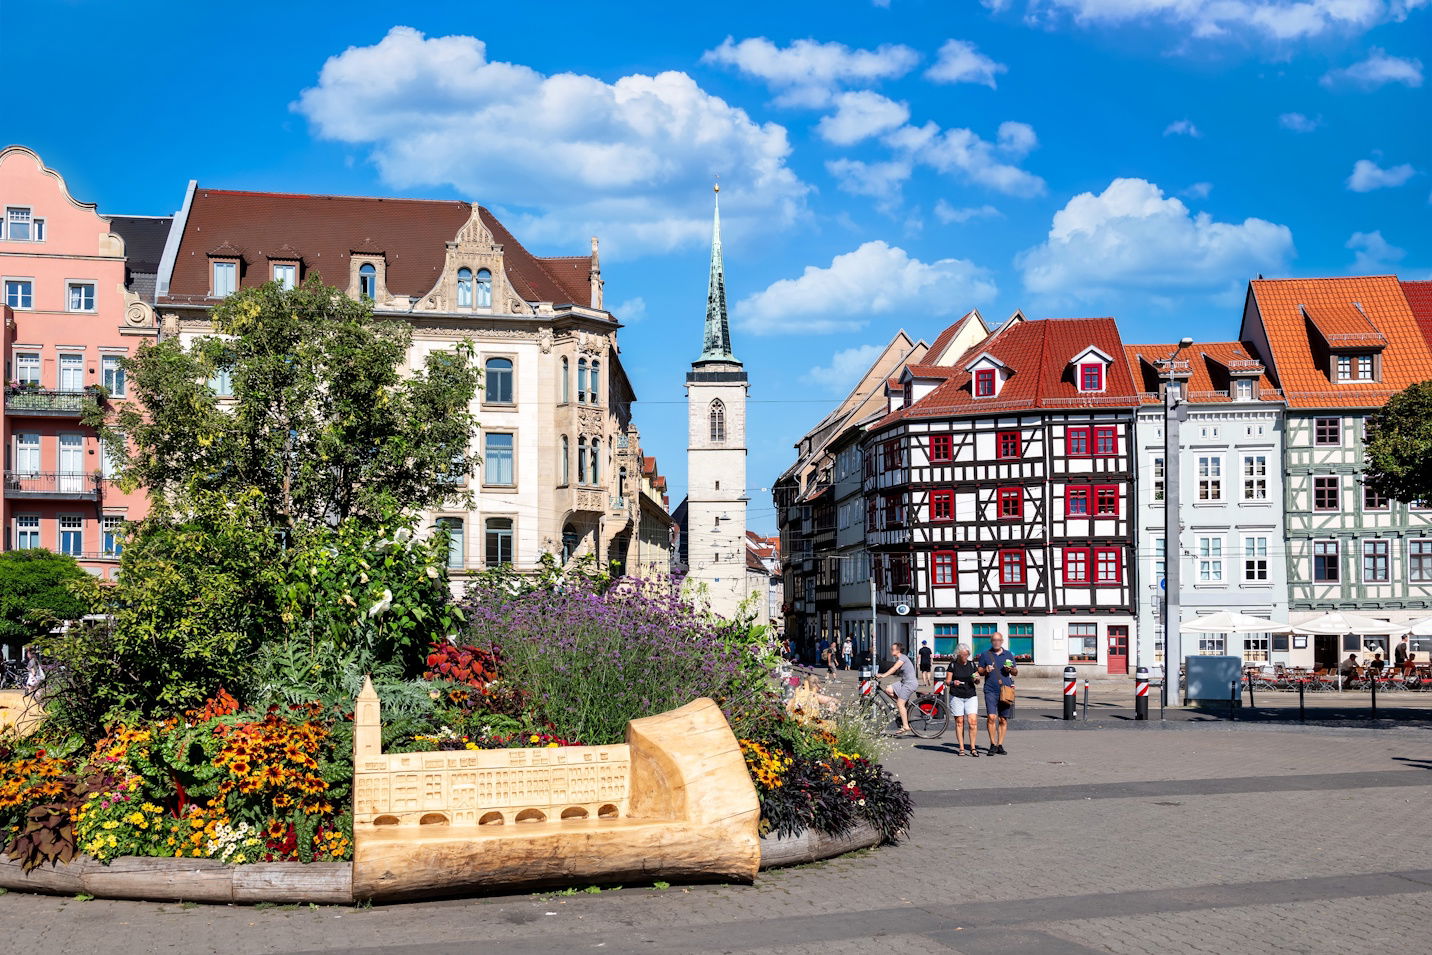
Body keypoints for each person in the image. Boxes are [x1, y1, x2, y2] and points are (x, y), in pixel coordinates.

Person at [975, 634, 1017, 755]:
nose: (996, 642)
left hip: (1005, 690)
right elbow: (980, 671)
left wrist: (1010, 670)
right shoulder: (985, 654)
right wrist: (985, 670)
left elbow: (1016, 672)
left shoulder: (1008, 654)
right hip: (990, 690)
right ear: (991, 641)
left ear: (1002, 641)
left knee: (1003, 719)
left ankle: (1000, 745)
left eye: (998, 640)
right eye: (994, 640)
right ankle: (992, 744)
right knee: (991, 717)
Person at [877, 642, 919, 736]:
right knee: (888, 689)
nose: (891, 651)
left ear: (898, 650)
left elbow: (894, 668)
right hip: (903, 682)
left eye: (892, 649)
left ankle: (905, 726)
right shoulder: (899, 658)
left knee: (900, 704)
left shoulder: (902, 658)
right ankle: (903, 705)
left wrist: (883, 675)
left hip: (909, 683)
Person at [946, 644, 980, 757]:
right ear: (958, 655)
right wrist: (953, 682)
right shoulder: (952, 665)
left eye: (967, 654)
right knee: (959, 722)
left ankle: (973, 747)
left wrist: (977, 679)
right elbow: (947, 681)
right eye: (963, 655)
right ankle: (961, 747)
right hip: (956, 696)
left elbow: (977, 681)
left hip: (970, 695)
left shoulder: (971, 664)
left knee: (973, 722)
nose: (965, 657)